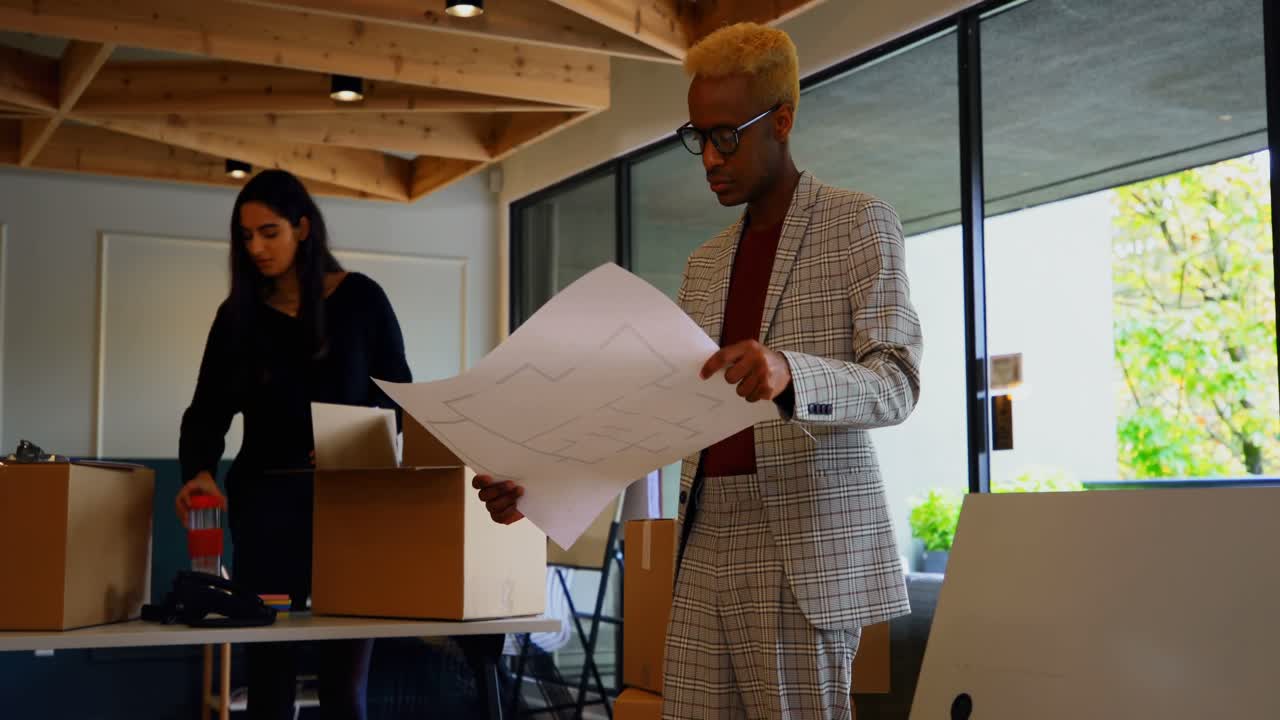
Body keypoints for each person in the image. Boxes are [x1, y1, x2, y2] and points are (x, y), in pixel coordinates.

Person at [477, 21, 924, 719]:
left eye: (725, 135)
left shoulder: (858, 223)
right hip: (704, 536)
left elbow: (897, 382)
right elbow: (661, 416)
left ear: (781, 122)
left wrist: (790, 372)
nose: (709, 158)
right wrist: (538, 486)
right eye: (698, 137)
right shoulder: (704, 264)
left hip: (802, 542)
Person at [176, 169, 412, 720]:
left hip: (351, 514)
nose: (255, 247)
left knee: (345, 690)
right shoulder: (236, 318)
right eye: (245, 235)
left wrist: (358, 441)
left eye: (269, 232)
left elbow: (400, 400)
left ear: (304, 228)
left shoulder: (362, 300)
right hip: (266, 517)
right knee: (270, 682)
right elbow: (207, 411)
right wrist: (199, 471)